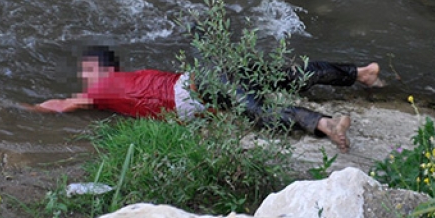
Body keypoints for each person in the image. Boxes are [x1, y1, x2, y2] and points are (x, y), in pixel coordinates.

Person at [23, 46, 383, 153]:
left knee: (258, 111)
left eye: (86, 72)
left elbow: (59, 107)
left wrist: (18, 109)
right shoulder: (131, 78)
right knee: (286, 74)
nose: (84, 81)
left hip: (202, 86)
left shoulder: (101, 87)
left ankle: (325, 123)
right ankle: (361, 73)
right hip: (207, 79)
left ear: (97, 69)